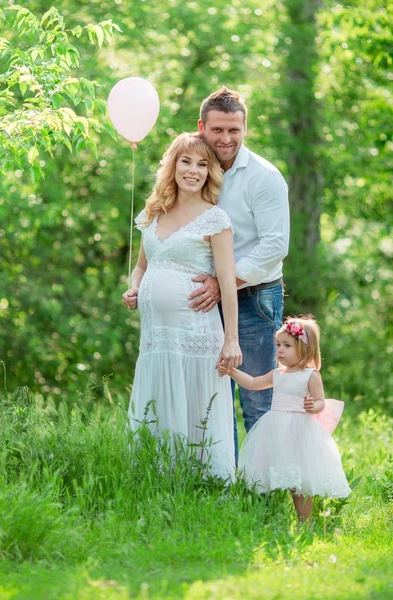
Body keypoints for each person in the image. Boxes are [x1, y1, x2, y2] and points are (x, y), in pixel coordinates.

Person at [122, 132, 242, 481]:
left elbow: (227, 282)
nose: (193, 170)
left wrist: (231, 340)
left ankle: (203, 485)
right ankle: (156, 479)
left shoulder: (215, 219)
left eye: (202, 164)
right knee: (159, 401)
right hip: (156, 339)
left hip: (196, 335)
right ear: (172, 166)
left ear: (210, 172)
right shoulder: (154, 212)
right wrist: (134, 288)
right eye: (186, 161)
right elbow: (142, 266)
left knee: (194, 404)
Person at [191, 87, 290, 458]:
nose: (226, 139)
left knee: (257, 402)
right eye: (217, 130)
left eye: (234, 130)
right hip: (203, 302)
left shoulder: (263, 177)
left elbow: (276, 245)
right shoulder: (192, 170)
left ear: (245, 128)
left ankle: (263, 493)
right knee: (211, 400)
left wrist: (223, 284)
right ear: (202, 127)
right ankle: (225, 482)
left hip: (254, 300)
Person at [218, 315, 350, 521]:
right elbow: (253, 383)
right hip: (276, 430)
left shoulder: (310, 375)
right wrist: (232, 372)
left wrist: (313, 406)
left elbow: (321, 402)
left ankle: (304, 522)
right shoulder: (277, 374)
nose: (280, 350)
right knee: (276, 473)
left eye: (287, 345)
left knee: (300, 481)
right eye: (278, 344)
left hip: (300, 431)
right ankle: (267, 514)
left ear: (305, 348)